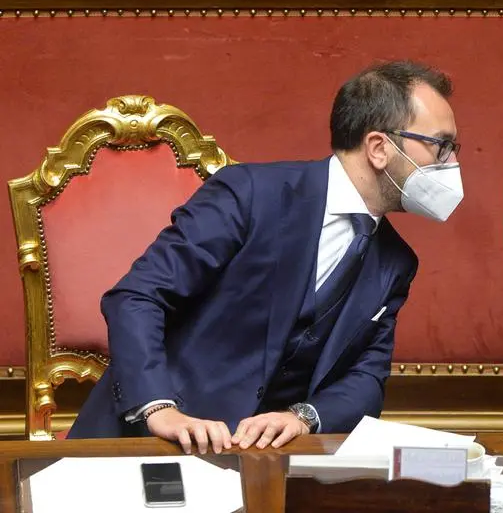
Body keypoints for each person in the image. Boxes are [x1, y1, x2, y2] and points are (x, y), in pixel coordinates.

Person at [68, 61, 464, 452]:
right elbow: (137, 297)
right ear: (379, 147)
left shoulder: (396, 263)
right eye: (442, 145)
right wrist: (158, 407)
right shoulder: (250, 194)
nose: (452, 164)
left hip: (265, 464)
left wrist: (302, 417)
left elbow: (366, 378)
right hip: (154, 442)